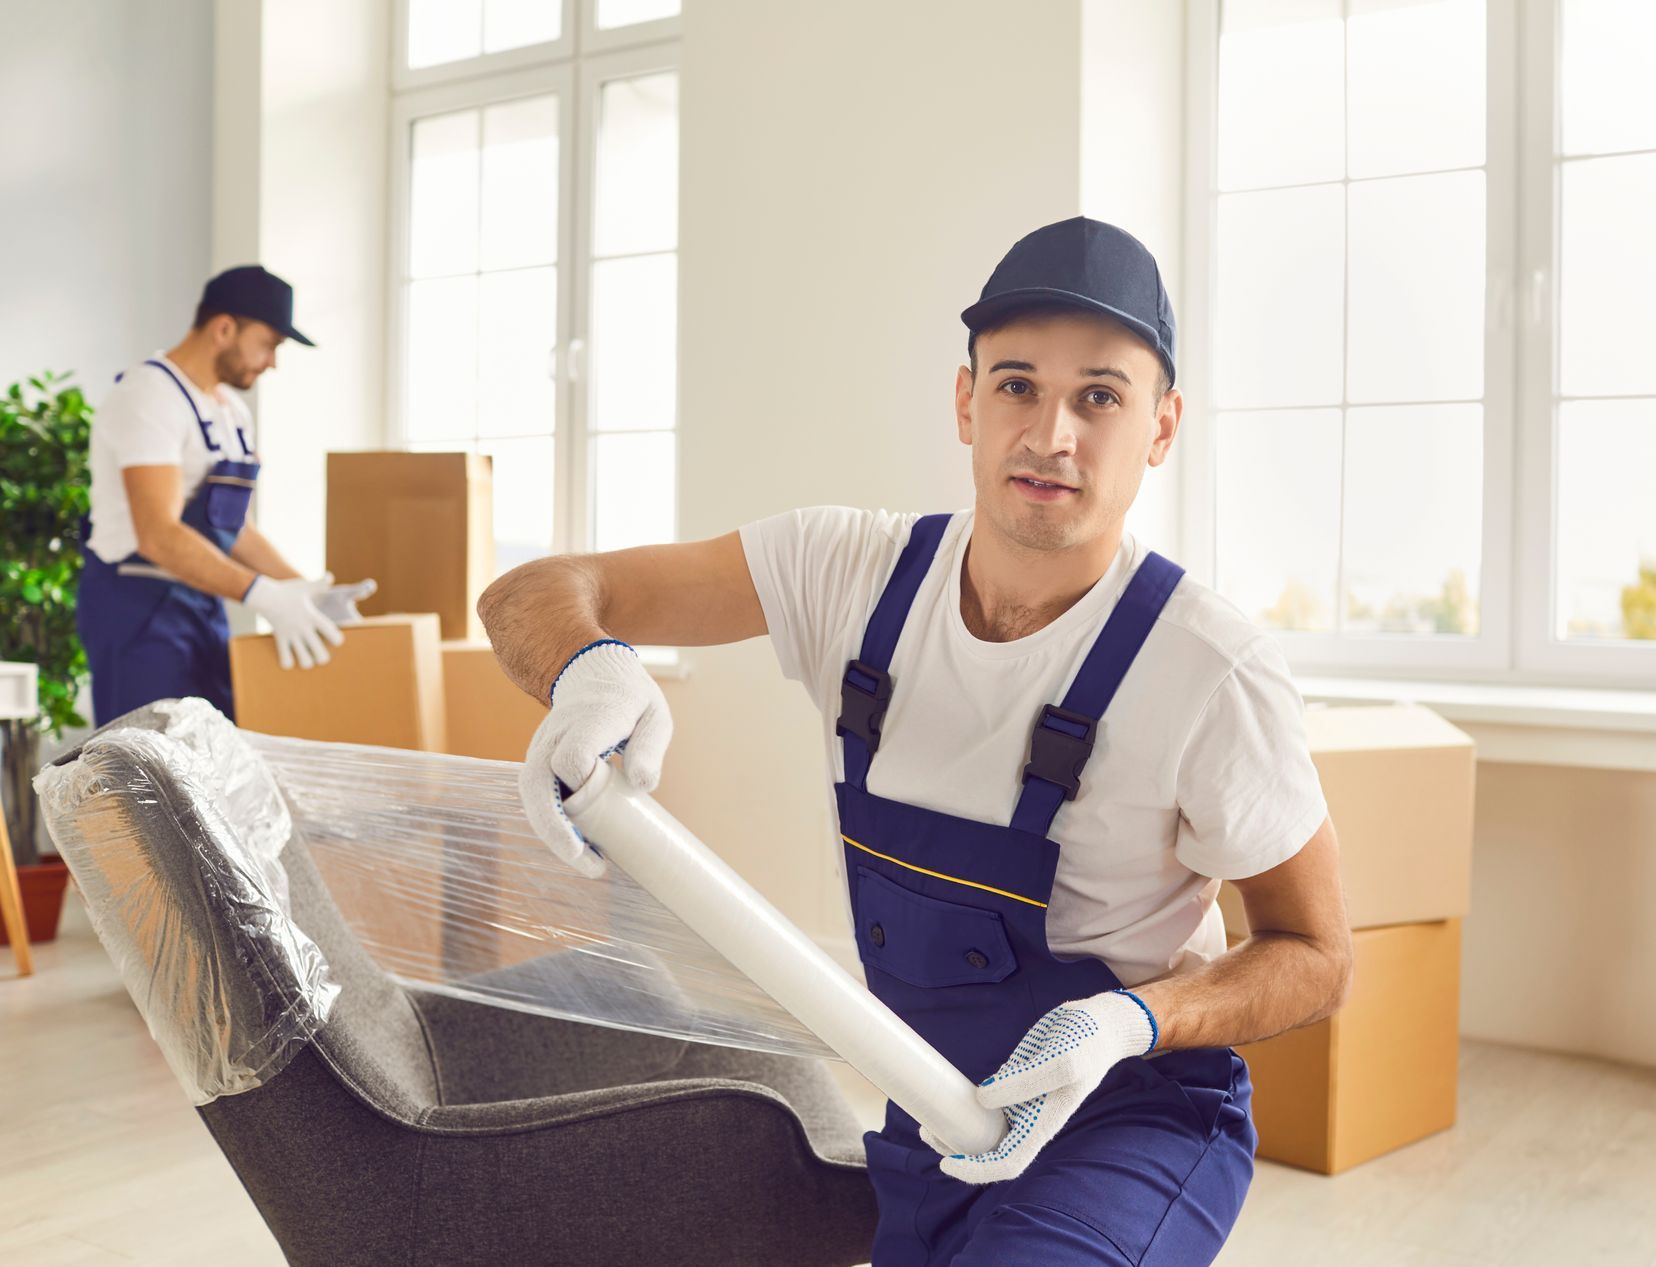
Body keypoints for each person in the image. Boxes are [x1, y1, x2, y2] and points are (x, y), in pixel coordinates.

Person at [479, 217, 1352, 1265]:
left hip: (1134, 1118)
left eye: (1101, 397)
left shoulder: (1211, 668)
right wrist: (589, 671)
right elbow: (536, 591)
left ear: (1162, 427)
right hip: (932, 1100)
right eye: (1018, 384)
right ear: (965, 401)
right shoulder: (844, 569)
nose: (1052, 434)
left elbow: (1316, 954)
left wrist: (1128, 1022)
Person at [78, 264, 373, 723]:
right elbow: (157, 535)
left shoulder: (232, 413)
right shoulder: (148, 397)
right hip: (137, 609)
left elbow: (234, 530)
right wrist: (263, 595)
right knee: (144, 774)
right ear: (224, 328)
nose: (273, 361)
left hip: (202, 605)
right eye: (270, 343)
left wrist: (303, 590)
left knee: (214, 762)